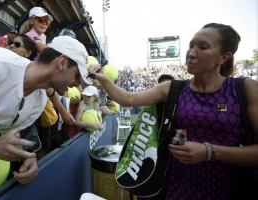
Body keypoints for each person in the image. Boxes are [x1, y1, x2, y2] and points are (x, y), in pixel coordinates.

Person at [90, 23, 258, 199]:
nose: (191, 53)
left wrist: (209, 152)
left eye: (203, 47)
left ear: (224, 57)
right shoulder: (174, 88)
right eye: (191, 46)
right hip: (177, 186)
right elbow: (129, 99)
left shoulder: (245, 88)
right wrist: (103, 79)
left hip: (228, 188)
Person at [0, 36, 92, 186]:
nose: (77, 85)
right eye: (77, 76)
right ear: (62, 62)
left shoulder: (39, 101)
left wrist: (26, 156)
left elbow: (10, 134)